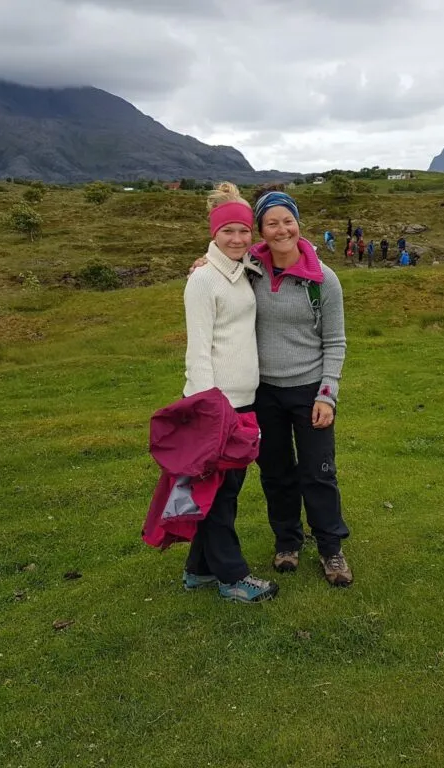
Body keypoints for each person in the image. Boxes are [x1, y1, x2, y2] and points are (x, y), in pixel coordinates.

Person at [248, 190, 353, 587]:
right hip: (263, 393)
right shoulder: (250, 270)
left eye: (287, 221)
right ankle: (287, 541)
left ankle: (331, 548)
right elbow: (220, 264)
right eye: (272, 223)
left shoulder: (323, 280)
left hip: (310, 391)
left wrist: (328, 394)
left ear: (298, 224)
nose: (282, 230)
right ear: (261, 230)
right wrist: (203, 262)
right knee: (275, 472)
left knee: (318, 473)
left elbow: (335, 342)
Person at [180, 183, 278, 603]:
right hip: (217, 404)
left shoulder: (242, 269)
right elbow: (198, 349)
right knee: (220, 494)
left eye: (243, 231)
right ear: (213, 233)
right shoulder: (203, 279)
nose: (237, 239)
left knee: (225, 488)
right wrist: (208, 407)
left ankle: (198, 570)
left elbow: (290, 248)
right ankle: (232, 577)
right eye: (227, 232)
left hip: (243, 401)